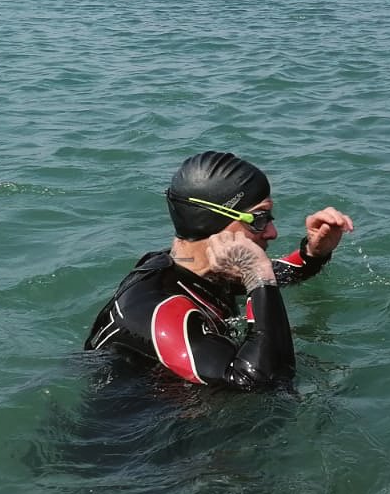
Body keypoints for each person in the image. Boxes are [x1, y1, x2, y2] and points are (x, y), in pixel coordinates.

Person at [84, 151, 354, 389]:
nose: (272, 232)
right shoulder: (159, 309)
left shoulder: (196, 271)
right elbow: (264, 382)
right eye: (259, 219)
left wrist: (312, 255)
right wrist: (256, 274)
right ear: (211, 222)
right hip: (139, 439)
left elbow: (272, 278)